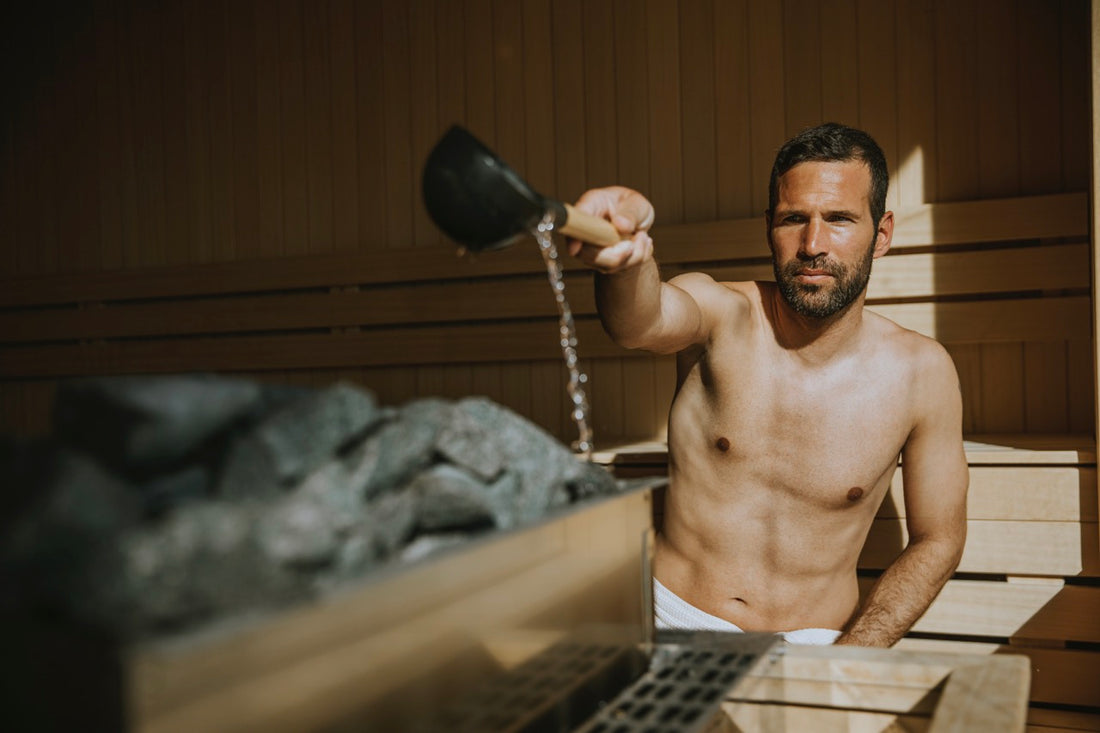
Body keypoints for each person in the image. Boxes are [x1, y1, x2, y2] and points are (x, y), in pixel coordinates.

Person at [566, 123, 968, 646]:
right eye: (793, 219)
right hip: (671, 623)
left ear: (882, 233)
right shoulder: (721, 315)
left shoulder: (922, 374)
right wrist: (626, 259)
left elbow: (939, 539)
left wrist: (852, 656)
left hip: (816, 646)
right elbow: (639, 321)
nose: (812, 244)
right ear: (769, 228)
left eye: (839, 219)